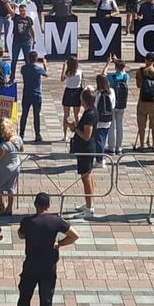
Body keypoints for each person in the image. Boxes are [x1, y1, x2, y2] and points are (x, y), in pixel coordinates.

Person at [5, 193, 78, 306]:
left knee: (25, 296)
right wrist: (59, 244)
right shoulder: (56, 221)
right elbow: (74, 235)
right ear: (48, 205)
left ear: (35, 204)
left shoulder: (27, 221)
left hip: (31, 266)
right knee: (46, 299)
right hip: (48, 267)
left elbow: (20, 235)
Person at [70, 86, 99, 218]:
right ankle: (89, 203)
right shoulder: (92, 111)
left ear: (84, 100)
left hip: (85, 149)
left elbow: (86, 135)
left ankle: (88, 208)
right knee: (89, 175)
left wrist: (75, 128)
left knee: (86, 177)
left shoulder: (89, 115)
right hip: (86, 149)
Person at [0, 127, 23, 215]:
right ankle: (9, 208)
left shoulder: (3, 146)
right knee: (11, 188)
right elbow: (22, 150)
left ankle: (2, 208)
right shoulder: (19, 139)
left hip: (5, 168)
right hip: (16, 166)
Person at [19, 52, 47, 142]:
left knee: (24, 115)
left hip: (26, 94)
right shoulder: (38, 68)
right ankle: (37, 135)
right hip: (36, 95)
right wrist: (45, 64)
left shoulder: (23, 68)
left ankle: (21, 134)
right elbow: (46, 74)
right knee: (36, 115)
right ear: (36, 58)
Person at [105, 59, 130, 154]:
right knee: (120, 126)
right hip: (122, 104)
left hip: (113, 103)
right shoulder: (126, 77)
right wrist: (117, 61)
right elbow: (123, 70)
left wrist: (108, 63)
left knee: (111, 126)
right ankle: (119, 147)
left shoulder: (111, 76)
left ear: (115, 67)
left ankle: (111, 148)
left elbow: (103, 73)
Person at [8, 3, 36, 78]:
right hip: (17, 41)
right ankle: (12, 76)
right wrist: (6, 3)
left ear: (26, 11)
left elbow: (32, 30)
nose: (22, 12)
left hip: (27, 41)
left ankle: (28, 75)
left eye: (24, 11)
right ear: (19, 11)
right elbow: (10, 11)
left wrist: (34, 40)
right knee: (14, 60)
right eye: (21, 11)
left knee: (27, 60)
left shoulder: (29, 19)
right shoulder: (16, 17)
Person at [59, 56, 83, 141]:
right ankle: (78, 133)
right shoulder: (80, 72)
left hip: (68, 92)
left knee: (66, 115)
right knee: (77, 115)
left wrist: (63, 68)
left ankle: (65, 134)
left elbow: (62, 79)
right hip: (77, 92)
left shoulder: (67, 73)